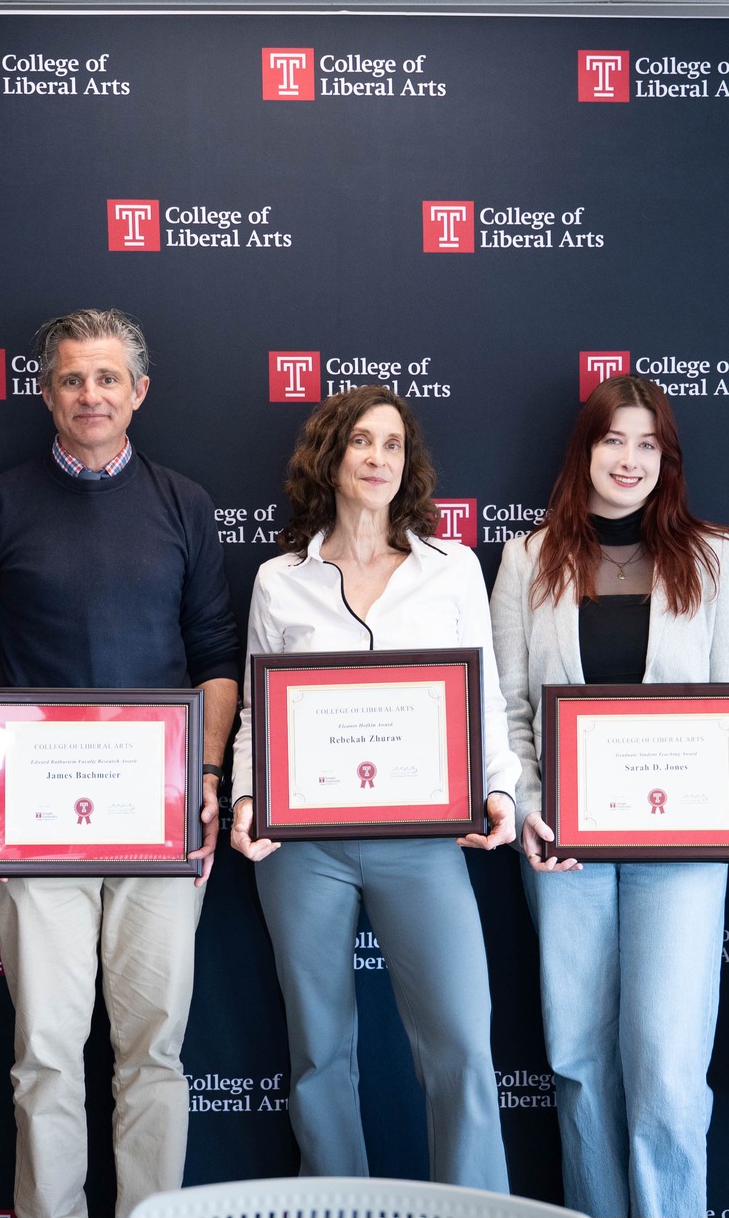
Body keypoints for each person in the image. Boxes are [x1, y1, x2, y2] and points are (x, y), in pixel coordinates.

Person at [0, 309, 239, 1218]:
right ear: (45, 392)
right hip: (31, 822)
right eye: (72, 378)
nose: (91, 395)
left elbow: (215, 659)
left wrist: (208, 778)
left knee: (153, 1049)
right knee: (46, 1051)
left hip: (157, 816)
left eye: (108, 378)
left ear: (139, 391)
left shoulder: (184, 503)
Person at [488, 374, 729, 1218]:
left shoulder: (712, 555)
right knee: (580, 1056)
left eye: (648, 443)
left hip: (684, 848)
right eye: (614, 440)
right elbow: (511, 707)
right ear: (584, 449)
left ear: (669, 457)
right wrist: (531, 806)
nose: (630, 459)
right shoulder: (526, 557)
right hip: (566, 845)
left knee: (664, 1062)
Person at [228, 385, 518, 1190]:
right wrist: (248, 801)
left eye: (392, 444)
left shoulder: (452, 567)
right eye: (362, 441)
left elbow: (483, 694)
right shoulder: (279, 579)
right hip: (302, 846)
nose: (378, 458)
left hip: (424, 840)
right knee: (319, 1050)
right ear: (331, 455)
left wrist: (499, 789)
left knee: (461, 1039)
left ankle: (478, 1211)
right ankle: (337, 1206)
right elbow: (257, 712)